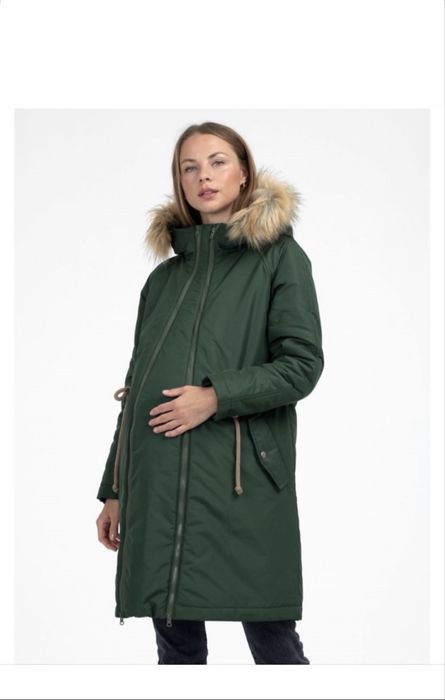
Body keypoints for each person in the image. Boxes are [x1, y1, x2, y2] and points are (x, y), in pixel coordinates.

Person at [96, 121, 324, 664]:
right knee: (176, 652)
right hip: (157, 483)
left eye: (218, 162)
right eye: (189, 167)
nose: (204, 176)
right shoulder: (163, 280)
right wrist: (114, 489)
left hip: (240, 484)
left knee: (273, 645)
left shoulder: (279, 258)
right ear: (179, 181)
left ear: (244, 172)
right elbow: (137, 389)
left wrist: (216, 396)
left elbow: (301, 366)